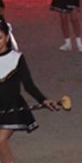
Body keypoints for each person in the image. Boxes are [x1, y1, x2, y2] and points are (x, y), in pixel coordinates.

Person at [0, 18, 59, 163]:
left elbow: (28, 85)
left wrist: (43, 100)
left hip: (12, 106)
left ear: (7, 37)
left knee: (0, 139)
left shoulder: (16, 58)